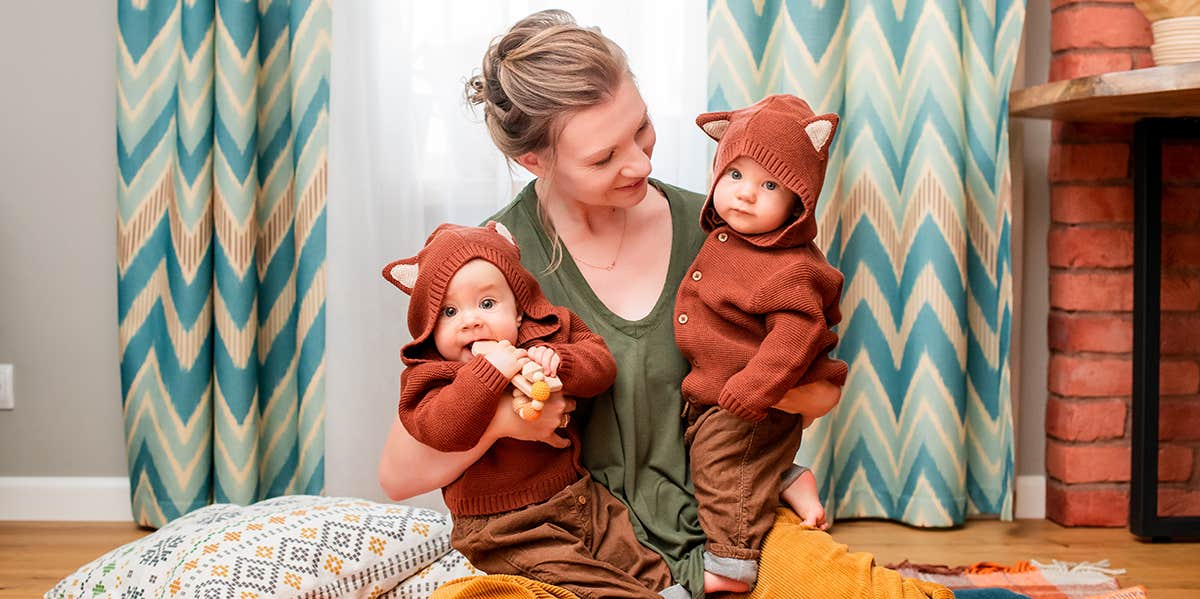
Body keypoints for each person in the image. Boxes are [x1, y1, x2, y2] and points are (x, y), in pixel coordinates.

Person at [379, 9, 985, 599]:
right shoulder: (489, 268)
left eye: (640, 128)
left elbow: (820, 390)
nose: (641, 162)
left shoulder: (730, 229)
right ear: (532, 161)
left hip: (728, 537)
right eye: (603, 157)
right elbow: (401, 475)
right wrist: (506, 423)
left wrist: (771, 448)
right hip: (573, 553)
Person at [382, 222, 688, 599]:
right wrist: (488, 372)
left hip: (578, 495)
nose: (471, 320)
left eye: (487, 304)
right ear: (428, 328)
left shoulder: (545, 337)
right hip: (506, 528)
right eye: (448, 311)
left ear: (520, 312)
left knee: (640, 559)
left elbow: (602, 367)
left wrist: (560, 359)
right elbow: (443, 430)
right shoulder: (431, 377)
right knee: (595, 586)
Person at [676, 94, 848, 593]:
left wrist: (755, 388)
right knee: (704, 459)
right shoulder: (730, 237)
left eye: (769, 184)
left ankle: (730, 565)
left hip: (754, 398)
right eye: (735, 176)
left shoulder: (791, 266)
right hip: (721, 392)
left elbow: (795, 336)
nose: (746, 195)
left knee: (720, 468)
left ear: (799, 201)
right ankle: (788, 479)